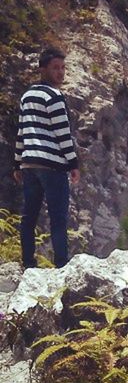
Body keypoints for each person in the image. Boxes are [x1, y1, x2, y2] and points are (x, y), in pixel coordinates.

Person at [13, 47, 80, 268]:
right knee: (58, 218)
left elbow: (21, 130)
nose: (60, 73)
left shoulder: (27, 95)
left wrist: (17, 162)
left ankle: (27, 263)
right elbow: (62, 133)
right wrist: (73, 163)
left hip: (29, 163)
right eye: (55, 68)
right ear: (43, 69)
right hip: (52, 165)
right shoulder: (55, 96)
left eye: (62, 68)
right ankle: (61, 264)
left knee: (29, 216)